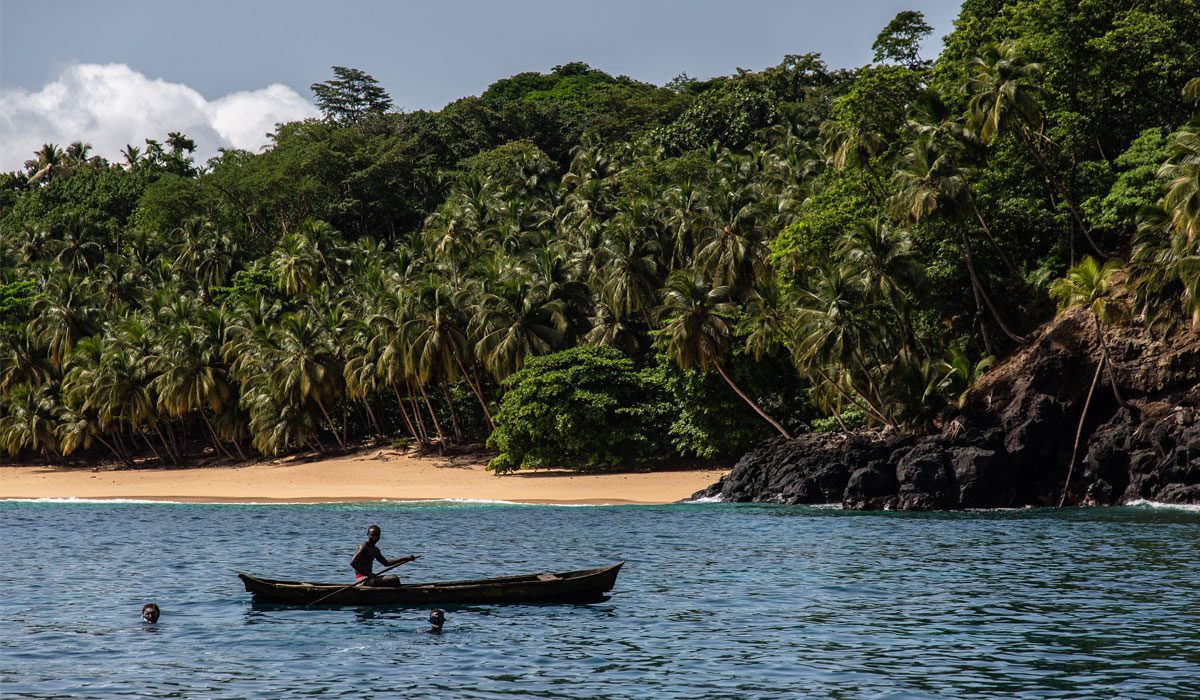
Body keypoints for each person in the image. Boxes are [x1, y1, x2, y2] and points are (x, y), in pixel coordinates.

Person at [350, 525, 416, 587]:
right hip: (362, 580)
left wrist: (405, 558)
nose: (375, 537)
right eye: (372, 535)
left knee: (393, 581)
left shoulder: (375, 550)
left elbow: (386, 563)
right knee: (394, 578)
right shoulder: (364, 546)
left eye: (377, 535)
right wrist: (368, 574)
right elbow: (353, 562)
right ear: (367, 535)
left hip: (370, 578)